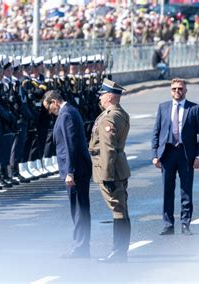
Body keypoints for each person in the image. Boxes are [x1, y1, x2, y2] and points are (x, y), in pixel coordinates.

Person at [151, 78, 199, 236]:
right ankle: (168, 225)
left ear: (185, 91)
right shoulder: (163, 108)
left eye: (180, 89)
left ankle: (185, 224)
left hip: (186, 154)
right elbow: (156, 132)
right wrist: (155, 155)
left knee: (186, 190)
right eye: (174, 89)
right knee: (167, 190)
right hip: (167, 153)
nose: (177, 91)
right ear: (170, 90)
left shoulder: (194, 109)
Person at [42, 90, 92, 258]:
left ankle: (80, 248)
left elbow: (71, 145)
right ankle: (82, 247)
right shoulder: (70, 111)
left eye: (49, 107)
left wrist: (70, 172)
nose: (49, 111)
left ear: (55, 101)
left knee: (79, 211)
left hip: (76, 170)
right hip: (78, 169)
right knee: (80, 210)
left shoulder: (66, 115)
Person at [89, 79, 131, 263]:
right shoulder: (119, 114)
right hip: (119, 168)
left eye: (103, 94)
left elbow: (108, 148)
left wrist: (106, 175)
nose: (100, 97)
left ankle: (119, 252)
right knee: (121, 209)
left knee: (118, 210)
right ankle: (121, 251)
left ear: (111, 97)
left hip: (110, 170)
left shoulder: (109, 117)